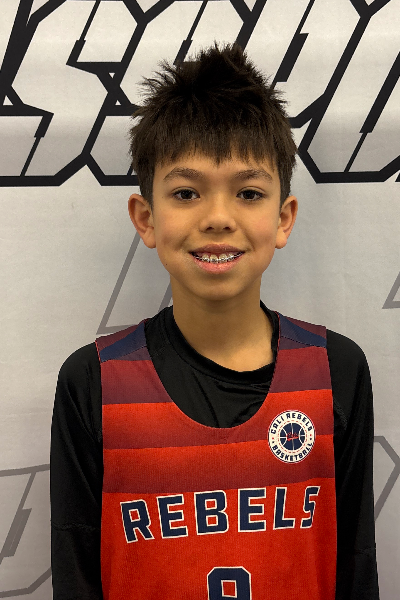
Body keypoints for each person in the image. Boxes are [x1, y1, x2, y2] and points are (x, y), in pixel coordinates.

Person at [50, 42, 379, 600]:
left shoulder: (336, 370)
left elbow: (356, 568)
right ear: (146, 218)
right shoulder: (92, 382)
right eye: (187, 192)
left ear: (283, 218)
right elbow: (75, 575)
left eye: (248, 193)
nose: (219, 217)